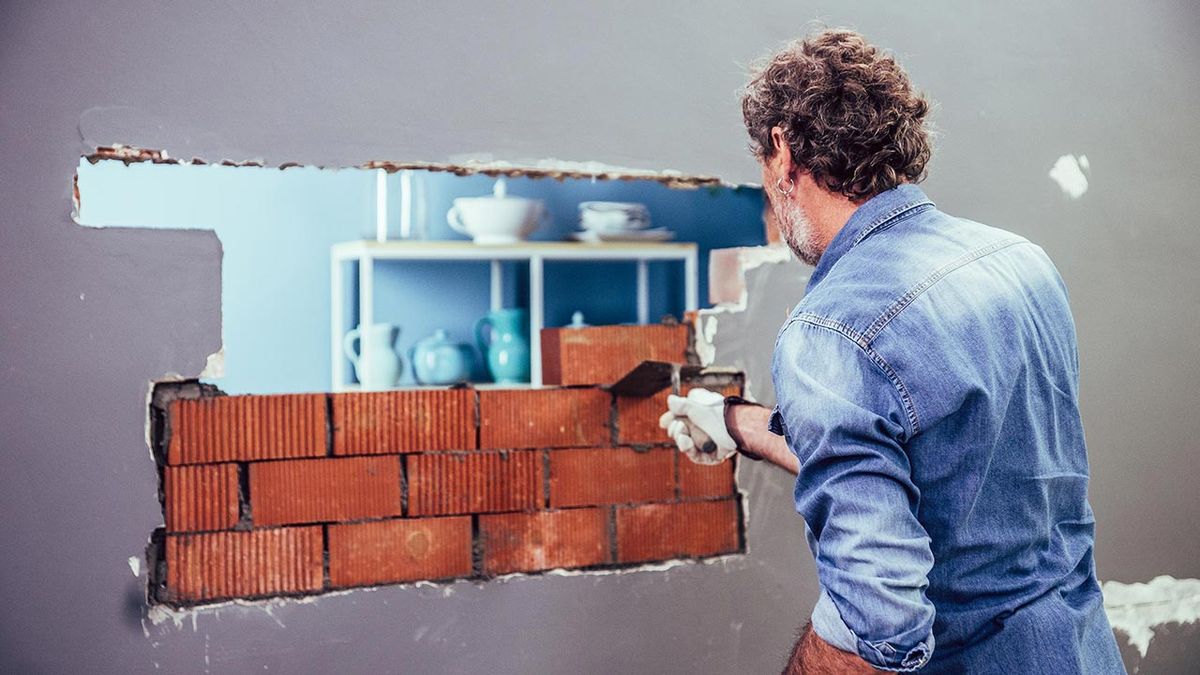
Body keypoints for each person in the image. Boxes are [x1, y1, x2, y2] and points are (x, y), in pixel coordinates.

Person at [660, 29, 1125, 673]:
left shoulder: (830, 330)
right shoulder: (1019, 261)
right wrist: (735, 421)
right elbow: (928, 459)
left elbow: (879, 628)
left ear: (783, 150)